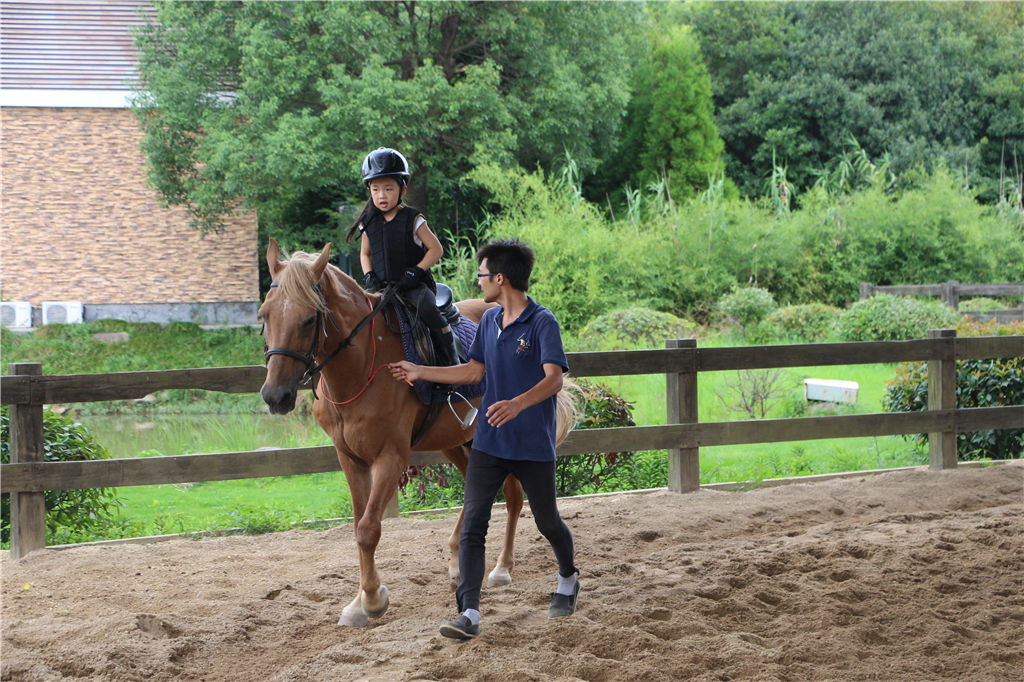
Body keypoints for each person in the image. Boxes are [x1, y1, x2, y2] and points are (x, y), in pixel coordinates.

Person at [389, 239, 580, 640]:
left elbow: (554, 379)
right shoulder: (490, 322)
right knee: (474, 524)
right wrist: (421, 371)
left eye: (480, 274)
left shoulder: (543, 322)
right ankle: (470, 613)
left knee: (548, 522)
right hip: (490, 441)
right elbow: (472, 372)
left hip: (530, 443)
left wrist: (518, 404)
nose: (477, 281)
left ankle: (567, 577)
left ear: (500, 277)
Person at [345, 147, 459, 367]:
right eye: (375, 189)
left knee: (429, 311)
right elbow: (365, 253)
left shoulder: (413, 219)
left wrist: (416, 270)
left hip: (413, 288)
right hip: (381, 288)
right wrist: (369, 275)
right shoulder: (368, 223)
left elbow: (436, 249)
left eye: (388, 188)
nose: (381, 195)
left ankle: (452, 364)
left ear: (402, 189)